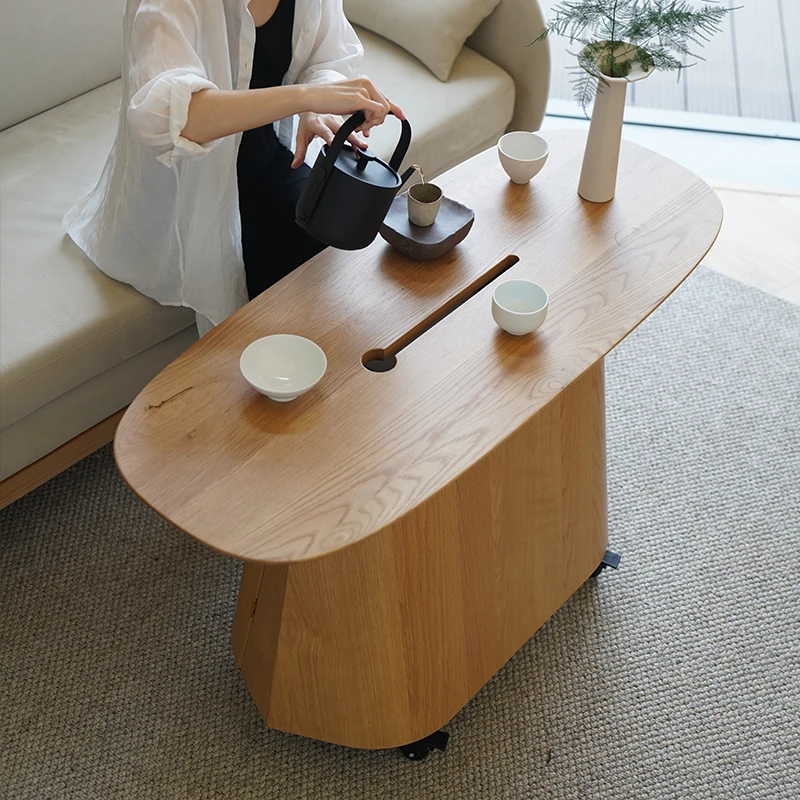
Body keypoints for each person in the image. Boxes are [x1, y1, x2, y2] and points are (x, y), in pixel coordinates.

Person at [64, 0, 403, 335]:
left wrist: (319, 107)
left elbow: (328, 54)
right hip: (181, 197)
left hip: (266, 163)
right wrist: (307, 97)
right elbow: (170, 117)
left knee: (326, 247)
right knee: (269, 315)